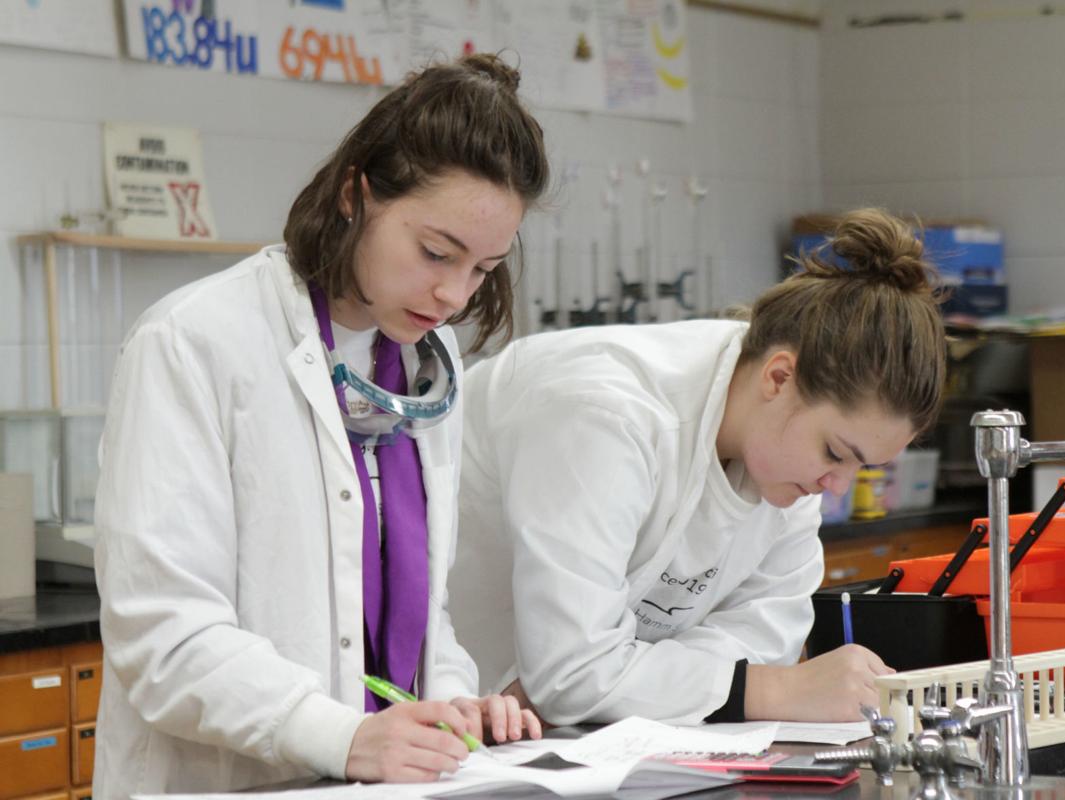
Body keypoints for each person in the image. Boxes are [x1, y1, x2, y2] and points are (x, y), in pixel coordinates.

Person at [93, 54, 549, 799]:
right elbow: (164, 637)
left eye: (482, 268)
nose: (452, 293)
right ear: (353, 194)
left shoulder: (428, 367)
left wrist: (449, 701)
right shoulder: (194, 342)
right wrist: (343, 734)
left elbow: (408, 607)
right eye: (436, 252)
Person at [447, 208, 946, 726]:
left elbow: (767, 637)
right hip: (432, 707)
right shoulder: (606, 412)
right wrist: (775, 689)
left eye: (861, 467)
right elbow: (573, 675)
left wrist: (626, 680)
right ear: (779, 377)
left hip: (551, 735)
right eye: (836, 453)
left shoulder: (783, 462)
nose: (836, 486)